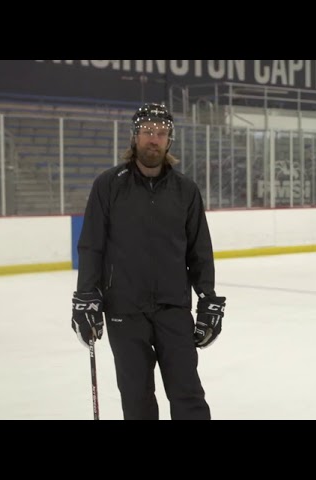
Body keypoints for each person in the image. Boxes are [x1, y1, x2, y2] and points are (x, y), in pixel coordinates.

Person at [71, 102, 226, 420]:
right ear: (134, 136)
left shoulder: (185, 190)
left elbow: (199, 251)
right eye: (146, 131)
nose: (153, 138)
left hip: (174, 309)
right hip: (124, 312)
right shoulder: (109, 185)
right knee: (137, 399)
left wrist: (208, 299)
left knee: (188, 394)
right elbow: (91, 246)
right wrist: (86, 295)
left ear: (170, 139)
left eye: (161, 132)